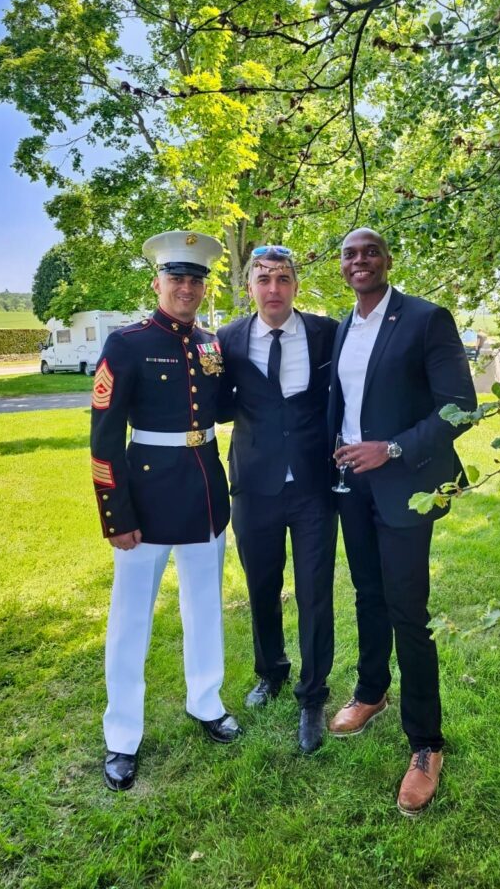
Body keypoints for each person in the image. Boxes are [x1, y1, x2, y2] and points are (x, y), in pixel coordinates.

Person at [327, 228, 477, 816]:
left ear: (388, 261)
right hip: (351, 487)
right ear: (341, 266)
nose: (359, 261)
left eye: (369, 252)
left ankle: (425, 744)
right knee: (367, 594)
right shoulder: (345, 325)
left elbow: (461, 406)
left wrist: (389, 449)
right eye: (349, 254)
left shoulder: (424, 318)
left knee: (407, 611)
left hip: (405, 485)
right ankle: (370, 693)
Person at [90, 230, 241, 793]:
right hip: (145, 500)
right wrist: (115, 513)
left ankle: (206, 702)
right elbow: (104, 437)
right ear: (157, 282)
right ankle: (122, 736)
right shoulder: (126, 344)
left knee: (205, 607)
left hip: (203, 489)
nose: (186, 287)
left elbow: (224, 403)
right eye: (176, 277)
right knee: (131, 620)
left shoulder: (209, 342)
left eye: (196, 279)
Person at [218, 247, 338, 753]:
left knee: (315, 592)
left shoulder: (326, 333)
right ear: (249, 286)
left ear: (295, 285)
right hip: (253, 484)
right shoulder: (225, 340)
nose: (273, 289)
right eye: (263, 279)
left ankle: (313, 696)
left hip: (313, 485)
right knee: (261, 586)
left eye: (282, 279)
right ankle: (271, 671)